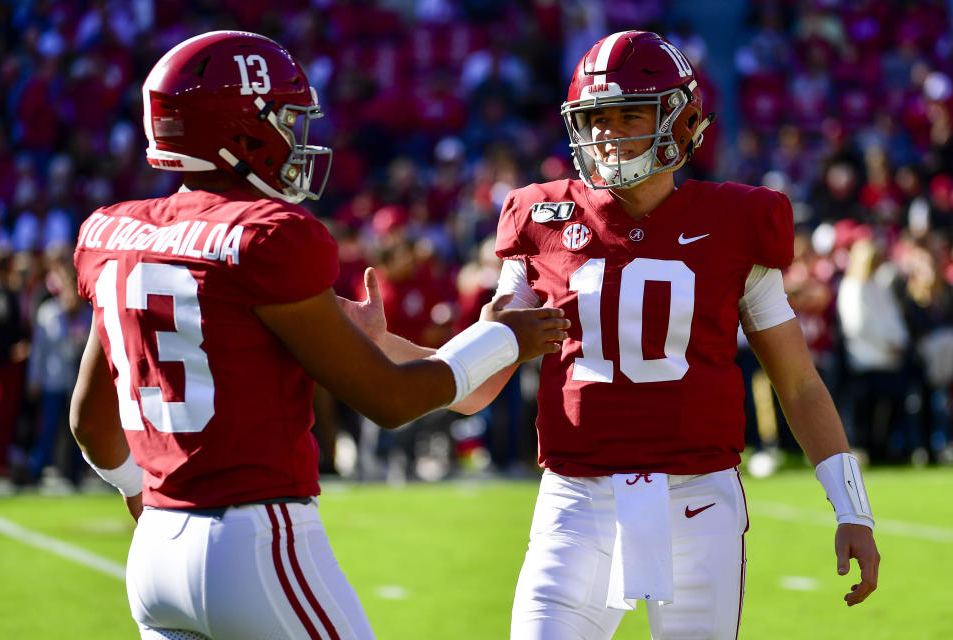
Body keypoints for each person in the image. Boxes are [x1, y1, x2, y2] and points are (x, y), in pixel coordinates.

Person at [353, 31, 880, 639]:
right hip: (576, 501)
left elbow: (800, 385)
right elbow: (475, 379)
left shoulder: (738, 223)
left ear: (681, 124)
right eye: (595, 117)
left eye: (629, 114)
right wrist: (383, 343)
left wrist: (852, 509)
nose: (606, 133)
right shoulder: (542, 218)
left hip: (697, 502)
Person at [68, 31, 569, 640]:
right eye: (284, 119)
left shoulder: (111, 233)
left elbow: (90, 426)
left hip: (154, 558)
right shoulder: (271, 234)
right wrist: (503, 337)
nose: (299, 137)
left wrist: (136, 492)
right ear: (240, 132)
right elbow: (391, 399)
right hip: (254, 543)